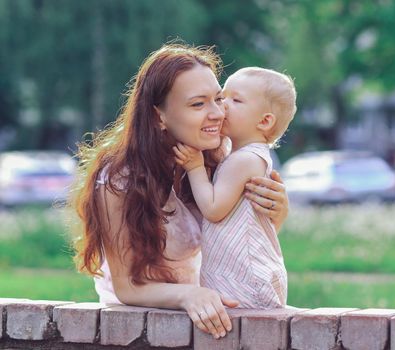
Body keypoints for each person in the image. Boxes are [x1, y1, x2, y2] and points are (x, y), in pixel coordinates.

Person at [68, 43, 289, 340]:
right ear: (158, 115)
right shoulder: (118, 181)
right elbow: (126, 286)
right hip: (137, 329)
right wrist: (188, 295)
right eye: (198, 104)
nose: (217, 113)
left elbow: (239, 239)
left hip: (208, 313)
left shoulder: (220, 158)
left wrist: (276, 214)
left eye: (219, 99)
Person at [174, 67, 296, 309]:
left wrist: (195, 167)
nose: (223, 106)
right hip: (247, 273)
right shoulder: (245, 156)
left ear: (264, 121)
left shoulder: (244, 160)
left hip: (243, 279)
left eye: (236, 100)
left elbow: (213, 208)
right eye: (223, 97)